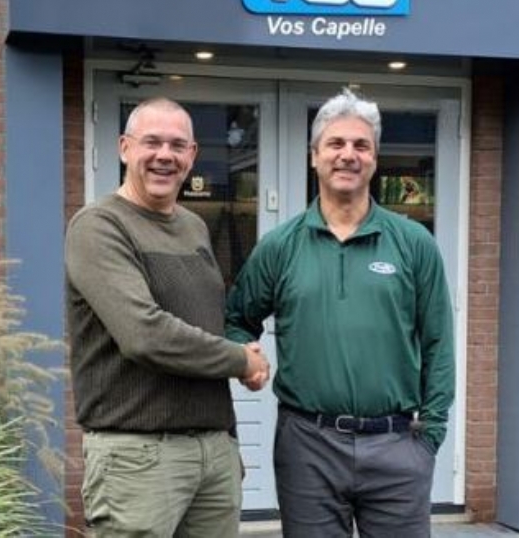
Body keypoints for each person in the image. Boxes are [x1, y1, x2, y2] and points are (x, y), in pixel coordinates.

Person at [225, 88, 455, 538]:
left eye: (361, 145)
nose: (348, 154)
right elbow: (237, 318)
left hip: (397, 445)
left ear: (374, 159)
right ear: (314, 156)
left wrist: (430, 436)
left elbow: (438, 343)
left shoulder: (413, 244)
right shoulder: (280, 246)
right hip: (307, 446)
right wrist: (244, 357)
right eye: (335, 143)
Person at [65, 97, 270, 537]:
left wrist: (227, 439)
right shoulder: (99, 226)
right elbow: (145, 334)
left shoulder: (194, 227)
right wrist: (240, 360)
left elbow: (205, 324)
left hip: (212, 451)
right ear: (125, 148)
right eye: (152, 142)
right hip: (138, 457)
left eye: (177, 145)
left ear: (192, 155)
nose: (165, 155)